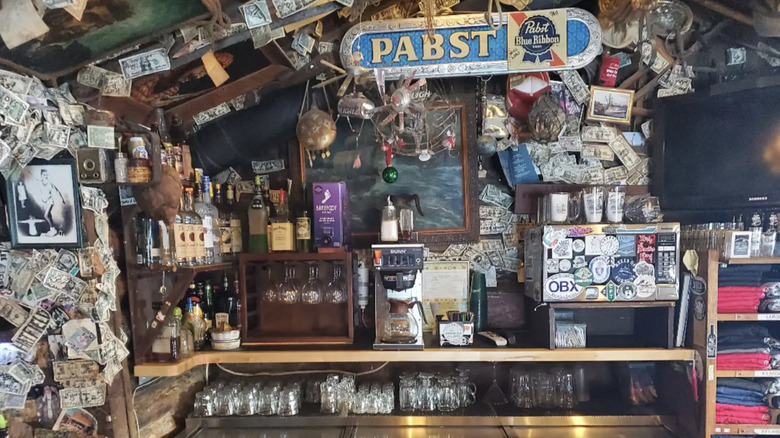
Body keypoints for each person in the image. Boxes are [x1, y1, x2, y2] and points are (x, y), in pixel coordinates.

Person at [35, 169, 66, 237]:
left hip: (50, 201)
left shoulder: (50, 184)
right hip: (45, 202)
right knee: (49, 215)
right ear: (41, 176)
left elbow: (57, 191)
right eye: (44, 175)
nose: (45, 176)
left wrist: (62, 199)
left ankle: (53, 230)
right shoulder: (40, 183)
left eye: (46, 175)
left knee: (45, 216)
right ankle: (52, 230)